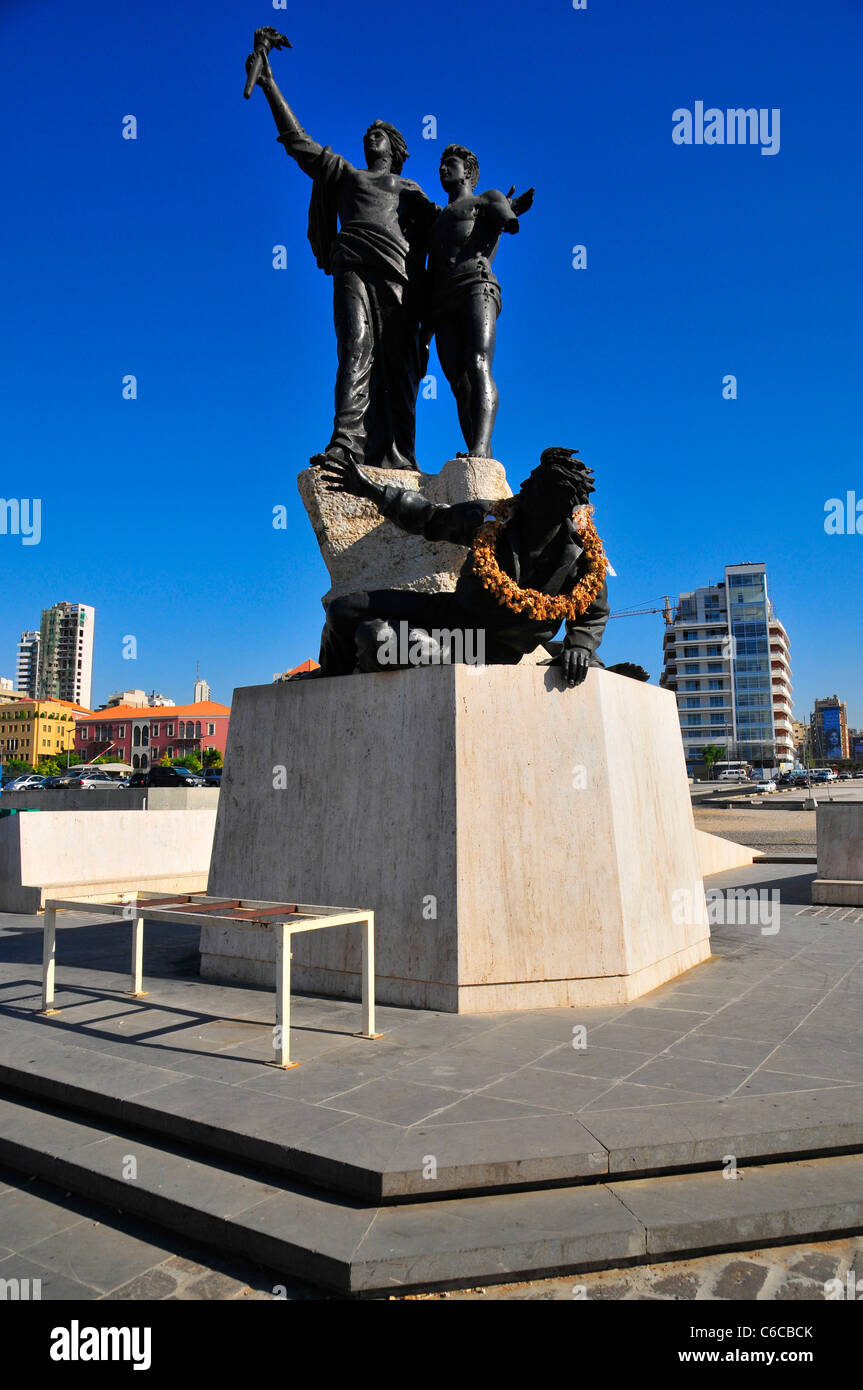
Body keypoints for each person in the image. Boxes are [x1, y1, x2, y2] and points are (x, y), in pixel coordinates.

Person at [246, 48, 437, 470]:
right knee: (356, 347)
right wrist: (268, 84)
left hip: (400, 276)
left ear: (395, 147)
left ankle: (399, 454)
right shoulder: (347, 175)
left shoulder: (411, 192)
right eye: (368, 133)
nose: (370, 136)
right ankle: (346, 443)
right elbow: (299, 145)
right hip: (352, 263)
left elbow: (443, 237)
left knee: (399, 366)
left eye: (380, 134)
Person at [315, 446, 623, 688]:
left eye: (536, 483)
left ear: (558, 504)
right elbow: (430, 518)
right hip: (449, 612)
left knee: (376, 639)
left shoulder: (582, 556)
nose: (524, 484)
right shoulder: (492, 519)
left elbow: (592, 613)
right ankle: (327, 684)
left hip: (485, 650)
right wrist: (370, 490)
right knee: (343, 609)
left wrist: (580, 646)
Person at [425, 144, 534, 459]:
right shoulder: (437, 219)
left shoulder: (485, 198)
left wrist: (507, 209)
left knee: (477, 363)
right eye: (441, 164)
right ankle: (479, 448)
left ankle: (479, 449)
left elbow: (506, 218)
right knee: (457, 381)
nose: (443, 169)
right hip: (444, 299)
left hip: (477, 286)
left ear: (468, 171)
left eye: (451, 163)